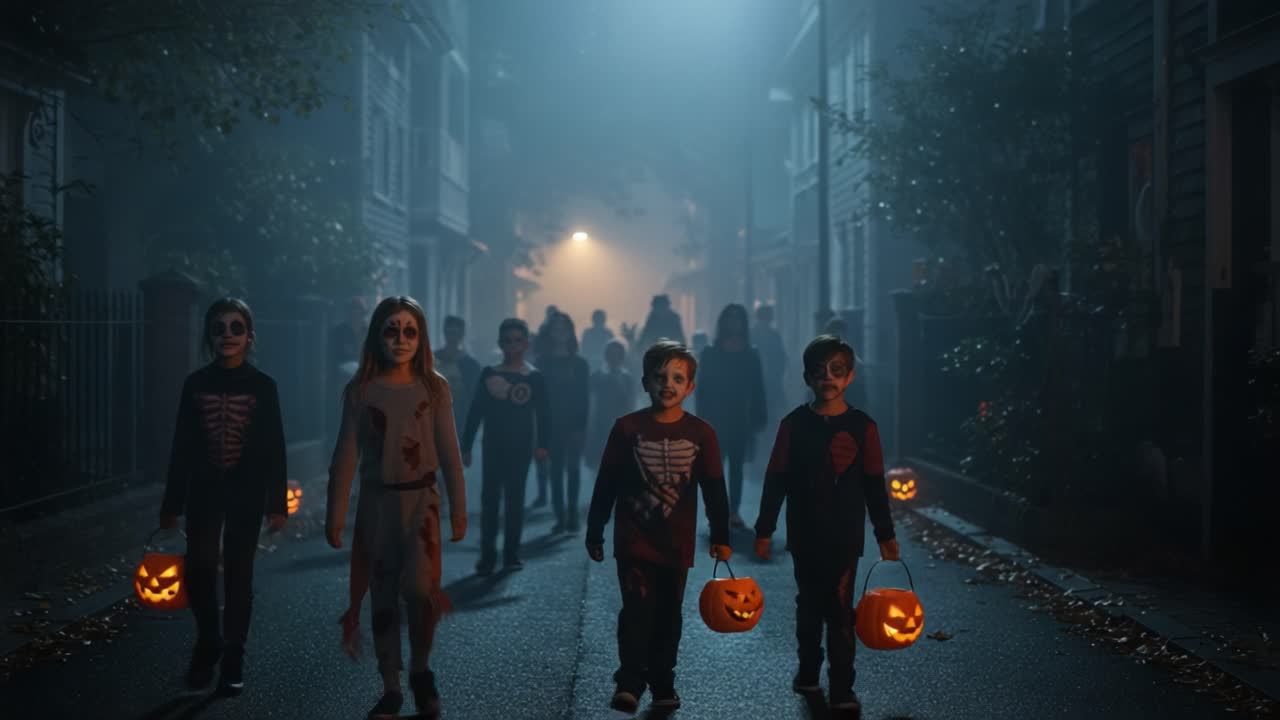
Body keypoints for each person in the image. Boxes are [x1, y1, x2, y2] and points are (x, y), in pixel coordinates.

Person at [325, 296, 467, 719]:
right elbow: (345, 455)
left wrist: (458, 508)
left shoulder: (434, 388)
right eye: (392, 329)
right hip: (377, 503)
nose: (400, 338)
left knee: (421, 590)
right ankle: (391, 683)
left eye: (409, 330)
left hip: (422, 502)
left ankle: (421, 667)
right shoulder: (361, 391)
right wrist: (336, 513)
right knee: (382, 593)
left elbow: (450, 452)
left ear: (421, 337)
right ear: (377, 335)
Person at [752, 334, 899, 713]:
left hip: (845, 534)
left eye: (837, 371)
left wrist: (885, 533)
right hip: (804, 532)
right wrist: (764, 529)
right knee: (809, 604)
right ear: (807, 378)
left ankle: (842, 685)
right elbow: (777, 478)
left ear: (850, 377)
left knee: (840, 606)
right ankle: (807, 669)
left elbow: (872, 483)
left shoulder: (864, 428)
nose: (828, 379)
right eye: (820, 372)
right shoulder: (794, 425)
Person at [586, 340, 732, 714]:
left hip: (675, 543)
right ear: (645, 382)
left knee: (669, 613)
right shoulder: (626, 429)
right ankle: (630, 679)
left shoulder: (702, 434)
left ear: (690, 386)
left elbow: (715, 487)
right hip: (634, 539)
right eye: (659, 376)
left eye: (677, 377)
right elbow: (607, 481)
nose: (668, 383)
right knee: (636, 609)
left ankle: (663, 680)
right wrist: (595, 528)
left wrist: (720, 535)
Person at [160, 297, 287, 697]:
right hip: (204, 489)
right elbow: (181, 446)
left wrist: (276, 502)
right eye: (219, 328)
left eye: (236, 327)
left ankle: (234, 653)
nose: (227, 335)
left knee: (238, 571)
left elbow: (274, 447)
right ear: (209, 336)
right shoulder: (195, 384)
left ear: (250, 336)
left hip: (246, 491)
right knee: (197, 566)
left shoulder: (264, 387)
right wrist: (172, 503)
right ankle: (209, 639)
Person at [460, 318, 550, 575]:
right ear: (500, 343)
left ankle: (511, 553)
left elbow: (544, 414)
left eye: (518, 340)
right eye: (508, 340)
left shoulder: (533, 377)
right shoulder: (490, 374)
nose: (512, 346)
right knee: (490, 501)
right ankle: (487, 555)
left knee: (515, 500)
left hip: (521, 446)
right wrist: (466, 444)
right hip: (493, 445)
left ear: (526, 343)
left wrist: (543, 444)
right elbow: (476, 410)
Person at [694, 304, 767, 529]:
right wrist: (701, 418)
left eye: (738, 319)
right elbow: (702, 388)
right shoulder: (710, 353)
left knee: (736, 466)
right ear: (723, 323)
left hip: (740, 417)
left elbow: (757, 388)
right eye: (730, 319)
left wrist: (758, 416)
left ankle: (733, 510)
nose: (734, 323)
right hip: (715, 416)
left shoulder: (750, 354)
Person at [534, 311, 590, 533]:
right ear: (550, 332)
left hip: (573, 423)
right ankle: (560, 515)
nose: (560, 332)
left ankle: (572, 512)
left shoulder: (580, 364)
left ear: (570, 332)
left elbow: (584, 398)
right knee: (555, 469)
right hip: (549, 423)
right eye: (556, 328)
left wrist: (581, 427)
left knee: (573, 468)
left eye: (564, 328)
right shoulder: (542, 363)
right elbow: (538, 398)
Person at [586, 339, 634, 472]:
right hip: (599, 428)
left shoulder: (627, 378)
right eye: (611, 355)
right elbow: (592, 405)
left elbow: (630, 404)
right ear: (606, 356)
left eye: (618, 355)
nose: (614, 359)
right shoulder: (597, 377)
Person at [529, 305, 560, 508]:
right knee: (541, 450)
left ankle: (548, 494)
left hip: (555, 404)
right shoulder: (541, 341)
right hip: (542, 401)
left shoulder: (564, 349)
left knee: (550, 453)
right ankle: (544, 493)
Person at [434, 315, 482, 433]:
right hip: (435, 415)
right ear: (444, 332)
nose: (452, 337)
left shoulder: (471, 365)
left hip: (460, 417)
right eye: (450, 332)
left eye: (456, 333)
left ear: (461, 335)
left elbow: (474, 395)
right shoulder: (431, 360)